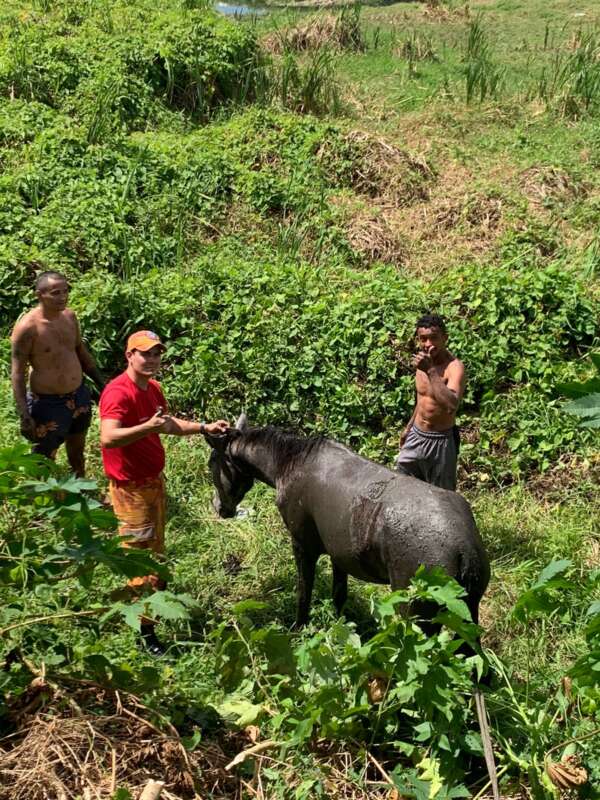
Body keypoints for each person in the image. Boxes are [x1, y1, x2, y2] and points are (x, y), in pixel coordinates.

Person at [99, 330, 228, 655]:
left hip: (153, 484)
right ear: (130, 355)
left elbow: (167, 425)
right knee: (139, 559)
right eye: (145, 353)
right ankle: (144, 635)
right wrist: (146, 428)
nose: (152, 359)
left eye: (156, 353)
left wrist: (203, 427)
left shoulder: (152, 388)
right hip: (130, 490)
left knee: (155, 554)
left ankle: (150, 609)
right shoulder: (118, 392)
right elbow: (108, 437)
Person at [10, 271, 105, 477]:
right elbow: (17, 373)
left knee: (77, 447)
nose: (63, 297)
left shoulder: (70, 317)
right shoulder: (28, 328)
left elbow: (81, 352)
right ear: (39, 295)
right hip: (48, 403)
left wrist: (102, 384)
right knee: (44, 457)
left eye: (65, 291)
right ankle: (42, 501)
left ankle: (79, 488)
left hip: (78, 395)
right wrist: (24, 415)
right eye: (55, 293)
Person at [395, 313, 466, 491]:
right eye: (423, 339)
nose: (428, 344)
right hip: (416, 435)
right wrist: (409, 428)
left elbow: (451, 404)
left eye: (434, 338)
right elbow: (422, 398)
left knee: (442, 497)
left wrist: (431, 372)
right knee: (402, 487)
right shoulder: (422, 362)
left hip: (440, 441)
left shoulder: (454, 367)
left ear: (445, 338)